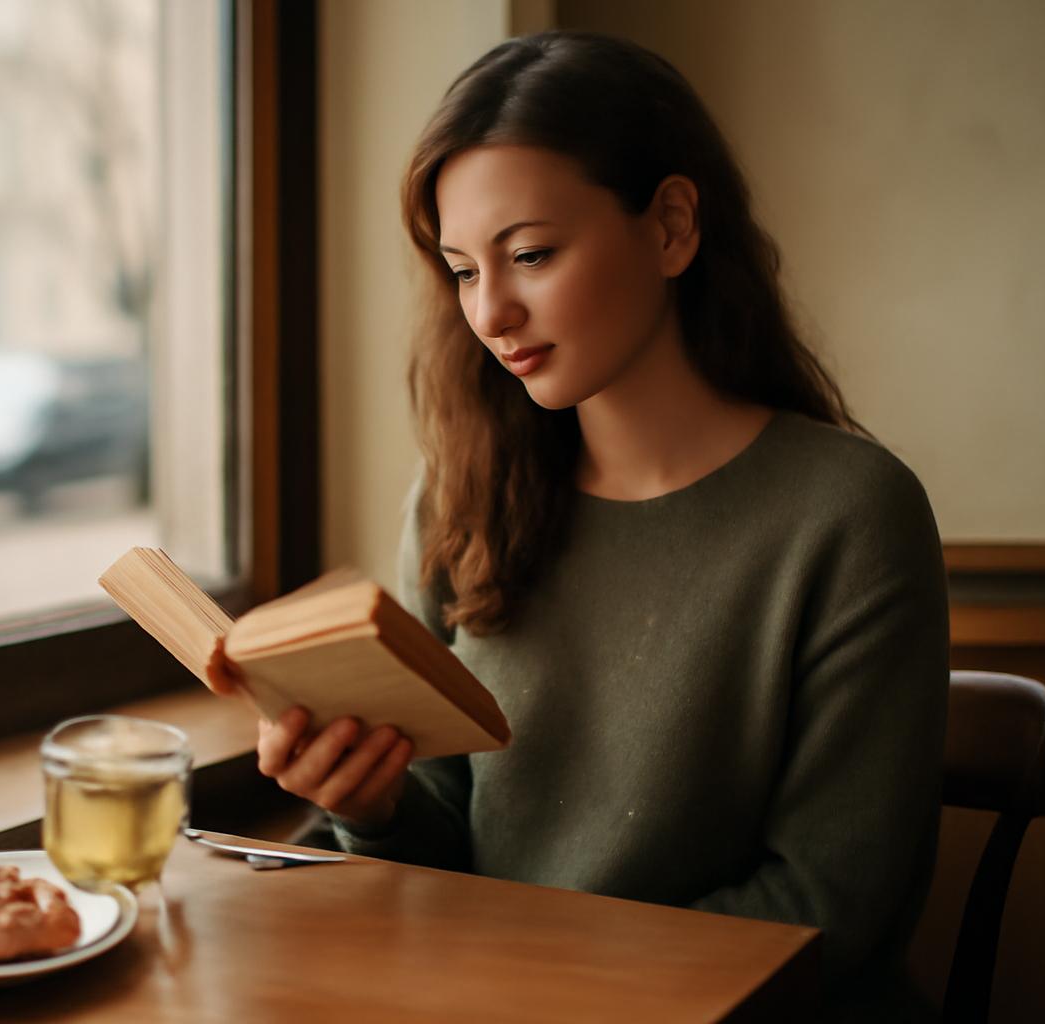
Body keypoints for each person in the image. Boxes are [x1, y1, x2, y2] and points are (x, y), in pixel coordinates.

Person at [209, 31, 948, 1021]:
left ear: (673, 226)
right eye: (463, 270)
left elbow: (829, 912)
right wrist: (368, 805)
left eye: (530, 255)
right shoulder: (459, 494)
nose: (492, 312)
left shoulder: (849, 515)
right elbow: (447, 841)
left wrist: (524, 990)